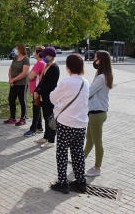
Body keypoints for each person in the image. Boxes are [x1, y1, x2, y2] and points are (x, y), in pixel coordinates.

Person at [49, 53, 89, 194]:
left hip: (66, 123)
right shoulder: (85, 82)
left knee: (62, 153)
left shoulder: (66, 82)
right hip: (81, 124)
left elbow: (52, 97)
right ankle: (81, 182)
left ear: (68, 67)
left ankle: (63, 183)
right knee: (78, 153)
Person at [84, 50, 113, 177]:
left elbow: (88, 93)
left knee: (97, 142)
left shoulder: (101, 78)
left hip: (97, 113)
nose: (93, 60)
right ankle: (80, 158)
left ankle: (97, 168)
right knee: (89, 139)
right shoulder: (102, 74)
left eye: (95, 58)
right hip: (95, 112)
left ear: (100, 60)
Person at [34, 47, 60, 147]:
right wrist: (37, 90)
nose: (43, 57)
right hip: (44, 96)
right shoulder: (47, 67)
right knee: (46, 117)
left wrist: (40, 91)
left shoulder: (54, 68)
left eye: (45, 55)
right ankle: (46, 137)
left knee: (50, 118)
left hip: (50, 97)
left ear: (50, 56)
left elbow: (49, 84)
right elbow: (42, 82)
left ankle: (51, 140)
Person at [4, 43, 30, 126]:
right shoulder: (15, 58)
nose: (15, 50)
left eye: (16, 48)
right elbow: (10, 69)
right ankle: (12, 117)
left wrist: (14, 80)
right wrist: (10, 79)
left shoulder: (26, 59)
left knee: (22, 100)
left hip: (22, 83)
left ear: (20, 49)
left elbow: (24, 73)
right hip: (13, 83)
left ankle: (23, 118)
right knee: (11, 99)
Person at [24, 46, 46, 136]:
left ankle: (33, 128)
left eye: (35, 52)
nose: (34, 54)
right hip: (38, 89)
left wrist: (27, 73)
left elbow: (30, 76)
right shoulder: (43, 63)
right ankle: (40, 126)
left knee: (36, 109)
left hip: (37, 90)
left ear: (38, 54)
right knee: (38, 107)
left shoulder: (39, 63)